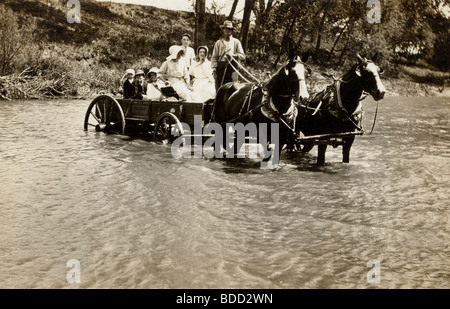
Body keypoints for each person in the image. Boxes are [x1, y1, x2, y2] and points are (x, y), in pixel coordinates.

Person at [211, 20, 246, 91]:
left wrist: (233, 55)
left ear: (232, 31)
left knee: (233, 87)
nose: (228, 30)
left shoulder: (236, 42)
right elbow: (214, 57)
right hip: (221, 66)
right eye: (226, 28)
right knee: (220, 87)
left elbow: (242, 56)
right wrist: (214, 70)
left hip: (232, 66)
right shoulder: (218, 43)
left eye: (230, 29)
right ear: (223, 30)